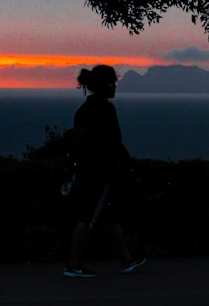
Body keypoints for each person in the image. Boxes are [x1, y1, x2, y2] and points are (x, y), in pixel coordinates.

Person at [62, 65, 146, 278]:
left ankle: (127, 260)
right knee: (88, 216)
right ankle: (73, 265)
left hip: (85, 170)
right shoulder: (105, 109)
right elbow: (115, 143)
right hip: (99, 173)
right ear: (106, 84)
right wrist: (129, 168)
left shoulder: (83, 109)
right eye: (113, 83)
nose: (115, 87)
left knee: (108, 215)